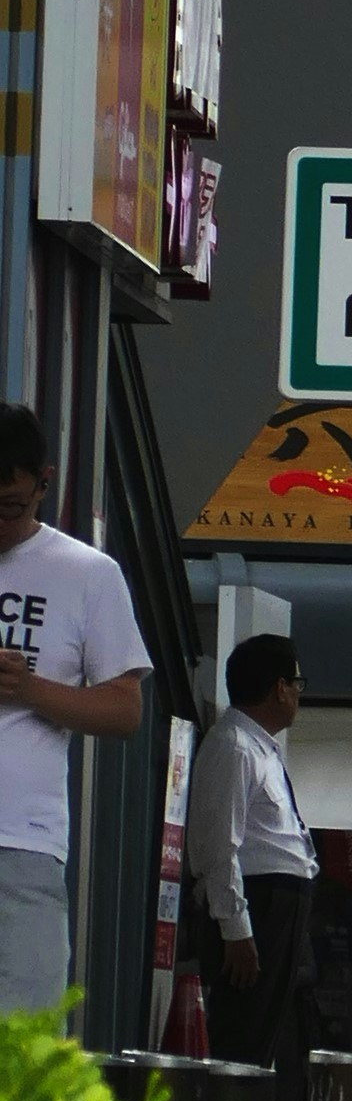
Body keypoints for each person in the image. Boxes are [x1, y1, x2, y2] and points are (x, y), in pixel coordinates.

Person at [0, 402, 147, 1024]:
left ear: (45, 482)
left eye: (13, 504)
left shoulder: (88, 574)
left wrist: (31, 690)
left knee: (26, 1047)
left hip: (22, 841)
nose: (2, 520)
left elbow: (125, 710)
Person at [191, 634, 322, 1101]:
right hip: (258, 907)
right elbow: (218, 847)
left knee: (270, 1039)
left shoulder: (261, 745)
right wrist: (237, 929)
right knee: (241, 1036)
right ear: (279, 687)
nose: (298, 695)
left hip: (283, 902)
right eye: (296, 683)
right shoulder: (233, 746)